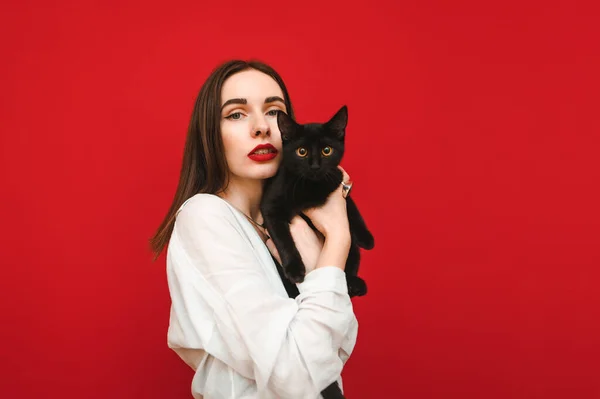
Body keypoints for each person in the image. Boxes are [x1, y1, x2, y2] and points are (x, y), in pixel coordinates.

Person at [150, 59, 359, 399]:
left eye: (275, 112)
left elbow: (335, 353)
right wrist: (338, 239)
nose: (262, 127)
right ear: (210, 134)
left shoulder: (290, 228)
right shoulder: (205, 216)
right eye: (236, 114)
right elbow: (298, 375)